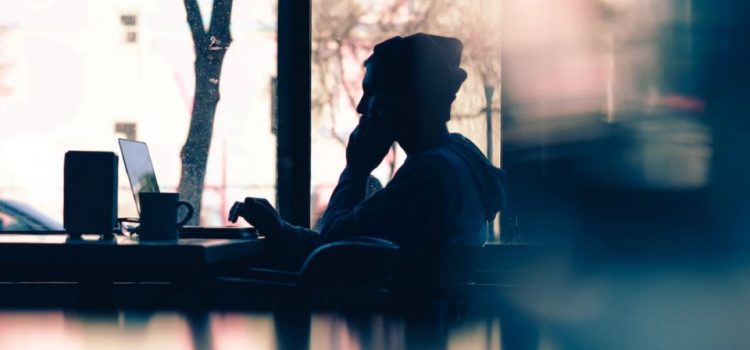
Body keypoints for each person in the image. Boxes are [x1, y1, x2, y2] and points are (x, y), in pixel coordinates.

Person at [229, 33, 506, 267]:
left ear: (405, 97)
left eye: (371, 92)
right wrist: (280, 230)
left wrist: (356, 169)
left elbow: (332, 251)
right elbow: (351, 239)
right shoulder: (456, 156)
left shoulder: (428, 174)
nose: (362, 107)